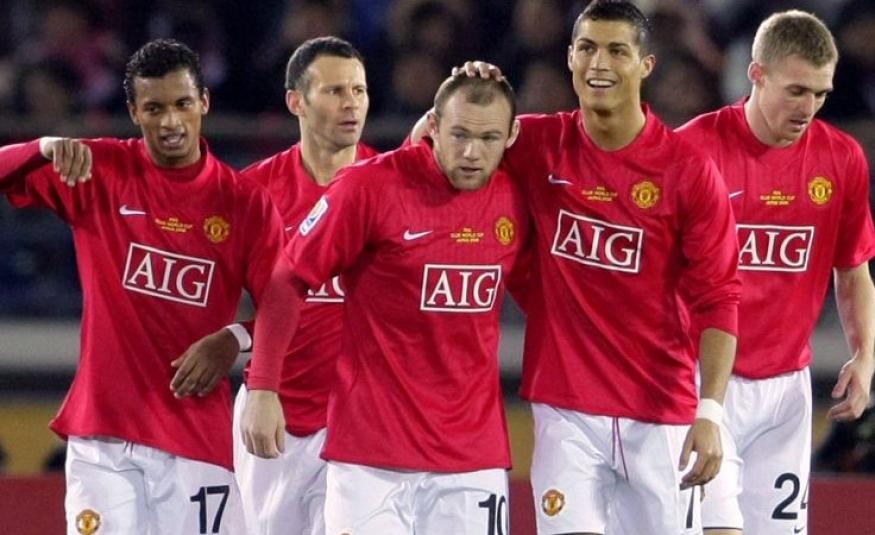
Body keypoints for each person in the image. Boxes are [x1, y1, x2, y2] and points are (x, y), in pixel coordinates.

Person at [454, 0, 741, 532]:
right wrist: (468, 96)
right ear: (569, 57)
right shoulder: (535, 144)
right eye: (586, 48)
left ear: (645, 64)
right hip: (565, 409)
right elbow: (442, 152)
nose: (599, 63)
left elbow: (720, 297)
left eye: (616, 51)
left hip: (660, 409)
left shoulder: (688, 171)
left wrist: (710, 413)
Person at [0, 39, 284, 534]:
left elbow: (286, 308)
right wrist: (42, 146)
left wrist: (234, 339)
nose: (171, 122)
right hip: (103, 439)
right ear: (134, 112)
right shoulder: (100, 170)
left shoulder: (243, 202)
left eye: (182, 104)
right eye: (154, 108)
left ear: (204, 102)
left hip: (195, 437)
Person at [242, 74, 527, 535]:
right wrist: (262, 386)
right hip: (368, 460)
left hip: (471, 460)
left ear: (511, 135)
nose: (472, 152)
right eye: (459, 135)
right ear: (433, 126)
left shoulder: (517, 200)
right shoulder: (370, 187)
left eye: (489, 138)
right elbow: (288, 278)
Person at [677, 10, 875, 535]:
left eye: (820, 94)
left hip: (787, 393)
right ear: (756, 74)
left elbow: (853, 271)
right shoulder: (694, 151)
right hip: (702, 382)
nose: (808, 108)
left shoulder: (841, 160)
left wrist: (864, 355)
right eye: (796, 91)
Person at [170, 36, 376, 534]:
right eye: (334, 91)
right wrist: (234, 338)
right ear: (296, 101)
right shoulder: (253, 194)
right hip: (274, 416)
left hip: (364, 420)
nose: (351, 104)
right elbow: (216, 300)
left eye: (359, 90)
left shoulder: (387, 184)